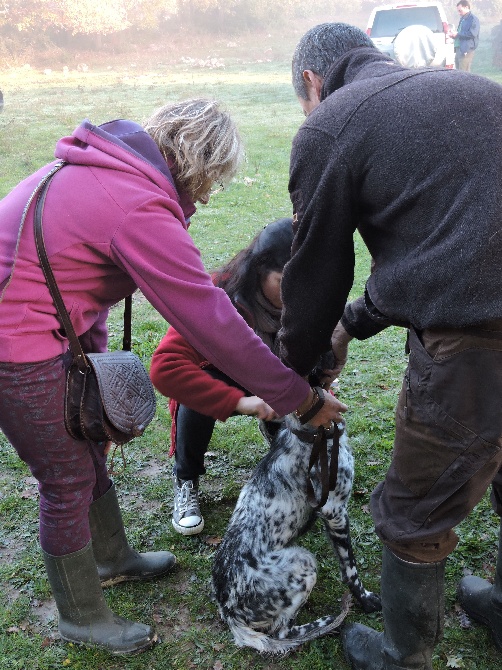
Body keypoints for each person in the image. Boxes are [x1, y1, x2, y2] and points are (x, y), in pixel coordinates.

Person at [0, 98, 346, 655]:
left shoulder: (103, 171)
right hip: (16, 345)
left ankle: (113, 557)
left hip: (41, 332)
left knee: (86, 457)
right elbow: (207, 316)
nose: (209, 196)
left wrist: (90, 354)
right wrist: (297, 399)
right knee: (64, 482)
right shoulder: (136, 205)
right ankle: (81, 616)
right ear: (196, 163)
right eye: (213, 180)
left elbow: (76, 277)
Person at [278, 22, 502, 670]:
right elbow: (445, 252)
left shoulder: (331, 124)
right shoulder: (470, 90)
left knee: (413, 513)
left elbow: (314, 272)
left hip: (479, 347)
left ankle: (403, 658)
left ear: (311, 83)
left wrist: (300, 371)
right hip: (482, 309)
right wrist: (352, 327)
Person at [151, 217, 304, 536]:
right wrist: (243, 402)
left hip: (278, 375)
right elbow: (167, 366)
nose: (295, 294)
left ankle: (279, 430)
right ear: (261, 269)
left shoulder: (311, 296)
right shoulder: (216, 294)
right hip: (226, 378)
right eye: (285, 281)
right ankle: (186, 479)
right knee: (196, 396)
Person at [450, 0, 480, 71]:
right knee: (459, 73)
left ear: (466, 7)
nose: (459, 13)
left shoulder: (473, 19)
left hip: (466, 50)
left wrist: (458, 34)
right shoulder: (463, 19)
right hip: (458, 49)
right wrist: (454, 34)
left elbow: (473, 33)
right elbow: (461, 33)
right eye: (458, 11)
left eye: (460, 10)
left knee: (464, 75)